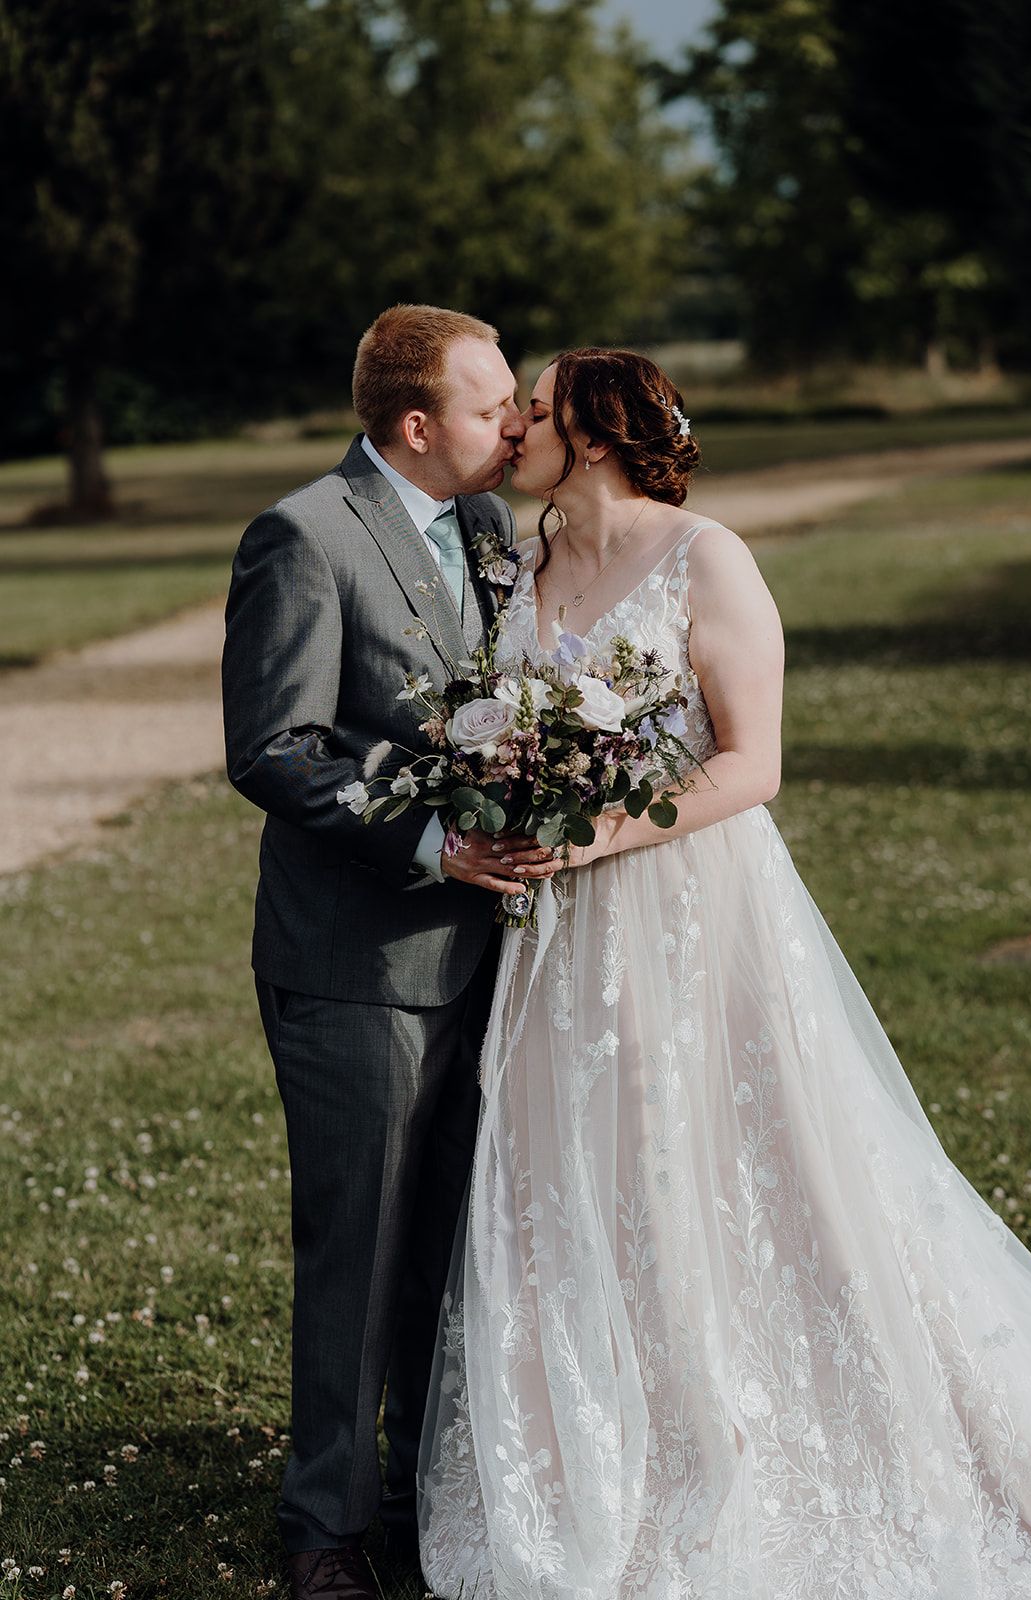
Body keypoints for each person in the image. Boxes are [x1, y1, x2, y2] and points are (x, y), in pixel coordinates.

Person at [417, 347, 1031, 1599]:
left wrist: (591, 830)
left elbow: (750, 763)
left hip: (688, 907)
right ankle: (606, 1442)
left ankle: (777, 1425)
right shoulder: (520, 567)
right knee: (578, 1167)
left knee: (729, 1157)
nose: (514, 433)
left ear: (594, 434)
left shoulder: (705, 558)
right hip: (556, 939)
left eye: (535, 412)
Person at [222, 304, 559, 1600]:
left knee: (451, 1248)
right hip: (355, 963)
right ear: (416, 426)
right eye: (491, 408)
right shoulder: (302, 538)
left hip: (484, 961)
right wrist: (430, 843)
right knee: (356, 1255)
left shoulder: (482, 528)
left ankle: (428, 1492)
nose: (513, 425)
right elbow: (275, 746)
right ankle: (322, 1531)